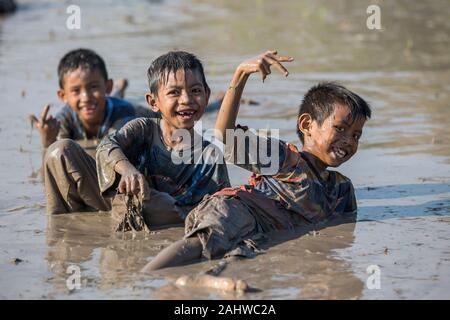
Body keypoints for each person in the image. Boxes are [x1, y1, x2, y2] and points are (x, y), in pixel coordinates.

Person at [142, 50, 371, 271]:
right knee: (199, 245)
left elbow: (342, 234)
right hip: (236, 211)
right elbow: (225, 136)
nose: (347, 141)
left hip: (261, 236)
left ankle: (192, 282)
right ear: (307, 125)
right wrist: (240, 75)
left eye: (356, 135)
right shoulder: (284, 159)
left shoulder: (342, 190)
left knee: (242, 271)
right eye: (339, 129)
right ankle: (144, 279)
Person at [45, 51, 230, 231]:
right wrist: (128, 170)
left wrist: (177, 212)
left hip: (157, 212)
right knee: (60, 151)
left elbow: (223, 209)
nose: (186, 99)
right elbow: (106, 145)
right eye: (174, 92)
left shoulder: (210, 156)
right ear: (153, 102)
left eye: (195, 91)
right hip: (117, 199)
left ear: (206, 94)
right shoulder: (143, 128)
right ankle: (59, 230)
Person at [29, 48, 158, 158]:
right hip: (105, 100)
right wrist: (48, 141)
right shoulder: (64, 119)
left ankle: (118, 89)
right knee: (103, 99)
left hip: (128, 109)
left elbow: (113, 151)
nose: (85, 97)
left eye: (93, 86)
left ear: (108, 86)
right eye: (76, 90)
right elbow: (55, 160)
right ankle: (118, 89)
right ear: (63, 96)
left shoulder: (125, 114)